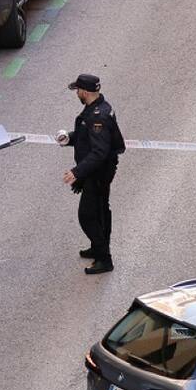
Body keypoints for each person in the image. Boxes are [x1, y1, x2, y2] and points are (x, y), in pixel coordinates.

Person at [57, 74, 125, 275]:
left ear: (85, 92)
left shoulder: (98, 116)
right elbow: (88, 137)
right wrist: (69, 138)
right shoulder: (98, 108)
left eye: (77, 90)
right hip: (96, 170)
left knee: (88, 215)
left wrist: (77, 172)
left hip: (99, 172)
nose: (76, 93)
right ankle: (98, 248)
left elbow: (99, 152)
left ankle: (104, 258)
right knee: (100, 211)